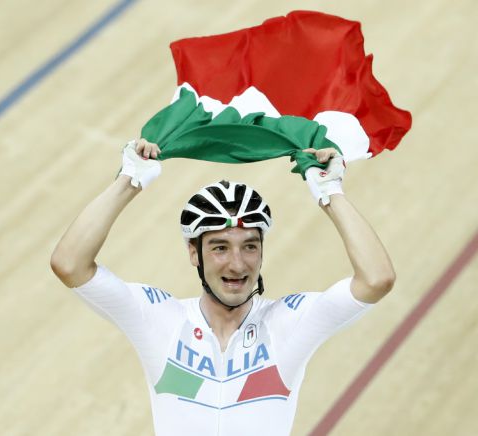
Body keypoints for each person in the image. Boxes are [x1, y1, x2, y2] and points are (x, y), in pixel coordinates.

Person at [50, 138, 395, 436]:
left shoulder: (287, 323)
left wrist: (330, 192)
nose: (237, 264)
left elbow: (375, 279)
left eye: (249, 245)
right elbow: (70, 264)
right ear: (193, 253)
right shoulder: (160, 320)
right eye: (219, 247)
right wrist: (129, 181)